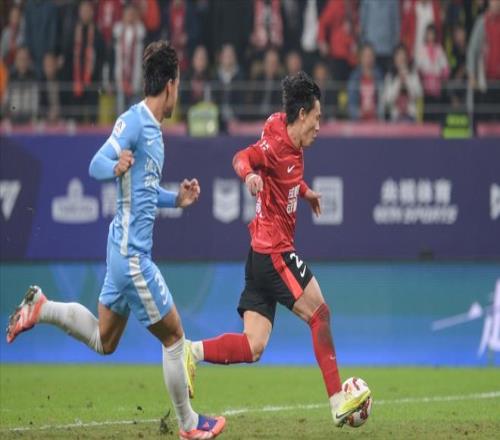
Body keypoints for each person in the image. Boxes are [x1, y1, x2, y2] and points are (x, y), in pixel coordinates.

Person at [6, 41, 225, 440]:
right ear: (171, 85)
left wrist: (176, 199)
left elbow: (145, 189)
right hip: (131, 255)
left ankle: (42, 307)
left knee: (104, 340)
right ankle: (190, 425)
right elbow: (96, 164)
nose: (178, 92)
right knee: (175, 338)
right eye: (178, 85)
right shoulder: (135, 121)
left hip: (121, 250)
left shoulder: (154, 130)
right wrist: (115, 165)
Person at [185, 71, 371, 427]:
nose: (320, 126)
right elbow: (243, 156)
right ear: (302, 114)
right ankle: (337, 401)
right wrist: (249, 175)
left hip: (258, 255)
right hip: (275, 252)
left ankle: (190, 352)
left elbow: (285, 174)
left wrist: (305, 192)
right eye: (317, 117)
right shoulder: (273, 146)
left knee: (253, 345)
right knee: (320, 314)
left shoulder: (279, 126)